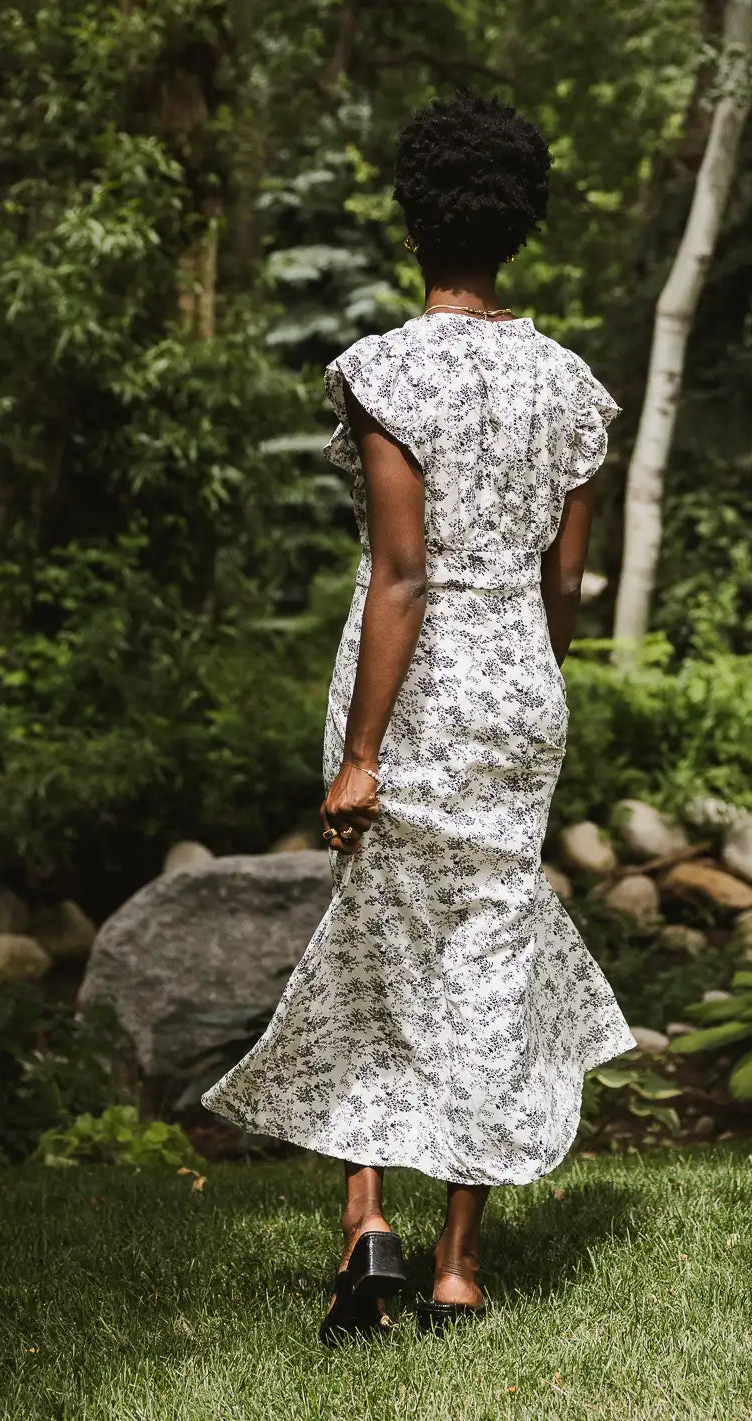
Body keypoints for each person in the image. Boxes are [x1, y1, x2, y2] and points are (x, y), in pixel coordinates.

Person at [202, 89, 636, 1344]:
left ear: (412, 222)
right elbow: (565, 585)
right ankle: (457, 1266)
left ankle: (366, 1219)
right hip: (519, 694)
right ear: (521, 225)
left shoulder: (385, 370)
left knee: (379, 941)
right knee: (489, 957)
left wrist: (360, 753)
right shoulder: (572, 385)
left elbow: (402, 574)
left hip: (406, 693)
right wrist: (530, 682)